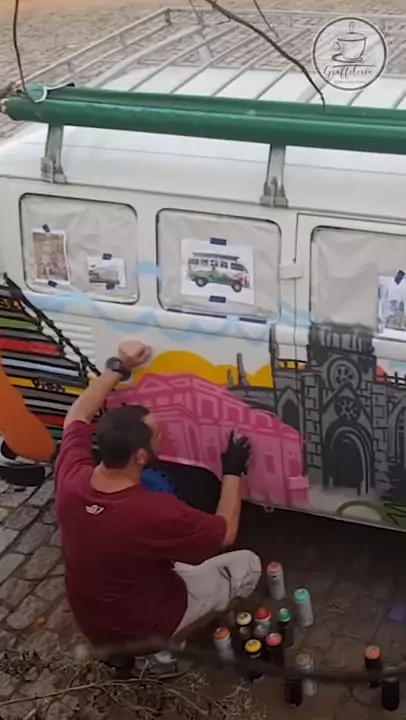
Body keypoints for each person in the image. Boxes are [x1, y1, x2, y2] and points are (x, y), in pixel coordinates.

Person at [55, 340, 261, 656]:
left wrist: (119, 367)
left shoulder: (72, 477)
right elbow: (225, 532)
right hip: (143, 627)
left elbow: (78, 414)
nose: (162, 436)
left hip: (93, 622)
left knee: (158, 555)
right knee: (248, 565)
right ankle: (166, 646)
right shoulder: (153, 512)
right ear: (140, 456)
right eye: (157, 435)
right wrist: (233, 471)